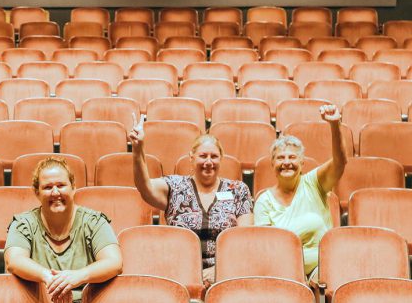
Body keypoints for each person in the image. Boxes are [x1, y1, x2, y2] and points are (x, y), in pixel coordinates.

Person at [4, 157, 123, 303]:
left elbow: (114, 262)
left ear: (73, 187)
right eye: (47, 187)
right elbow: (14, 260)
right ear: (36, 192)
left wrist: (76, 277)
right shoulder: (23, 223)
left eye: (61, 185)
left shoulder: (94, 222)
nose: (55, 192)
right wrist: (49, 279)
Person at [130, 116, 253, 287]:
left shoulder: (238, 190)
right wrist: (138, 149)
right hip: (178, 271)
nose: (208, 162)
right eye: (203, 156)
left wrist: (219, 270)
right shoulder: (175, 186)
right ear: (192, 157)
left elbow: (243, 240)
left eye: (214, 156)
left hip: (225, 273)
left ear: (221, 159)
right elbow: (145, 187)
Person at [254, 104, 347, 280]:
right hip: (282, 271)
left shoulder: (313, 184)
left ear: (302, 163)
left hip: (322, 267)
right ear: (273, 164)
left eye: (292, 157)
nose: (286, 162)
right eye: (280, 158)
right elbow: (267, 248)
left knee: (335, 276)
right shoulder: (263, 201)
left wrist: (335, 125)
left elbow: (340, 162)